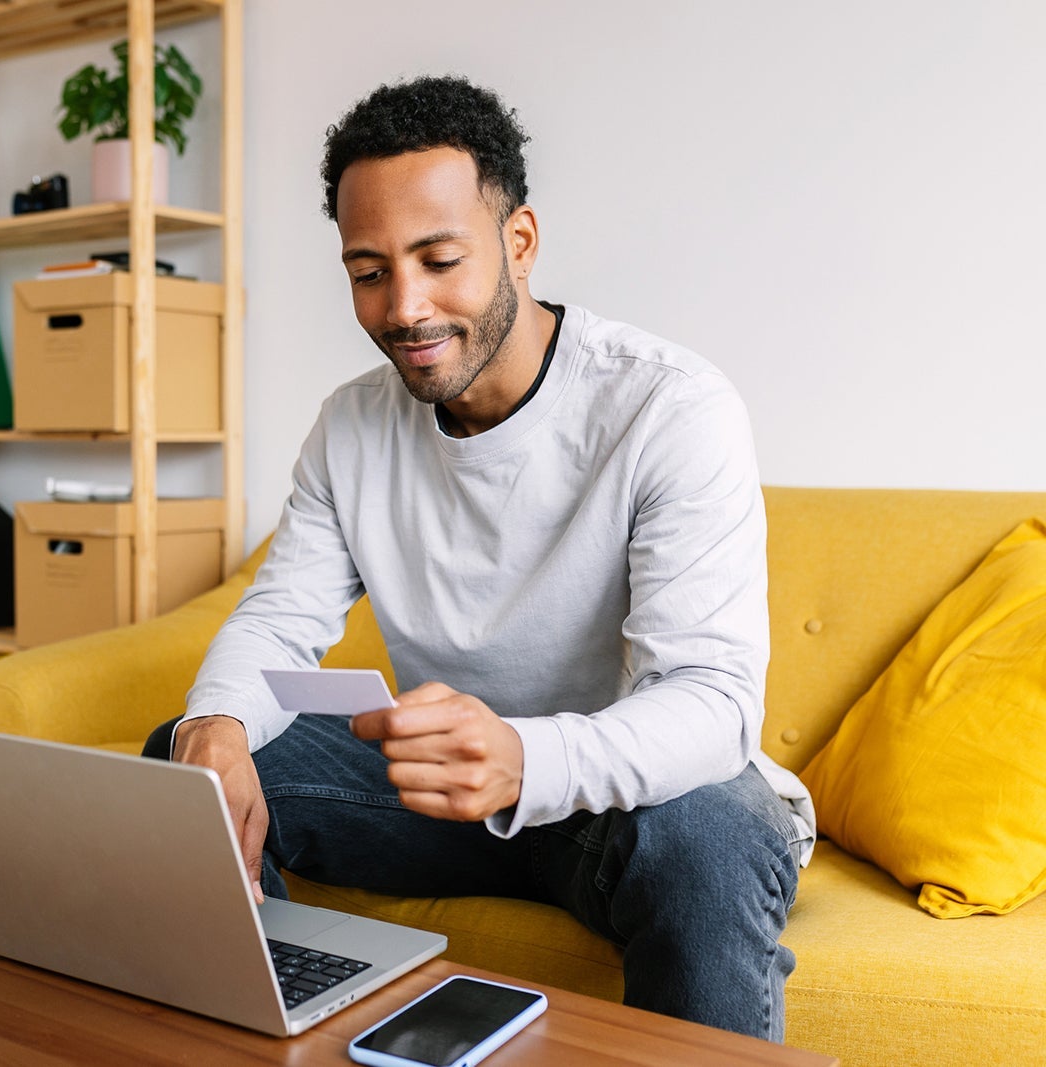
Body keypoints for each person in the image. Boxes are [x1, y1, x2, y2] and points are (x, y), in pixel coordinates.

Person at [142, 75, 816, 1042]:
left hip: (615, 802)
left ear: (519, 241)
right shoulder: (350, 427)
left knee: (712, 830)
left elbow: (712, 701)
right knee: (192, 764)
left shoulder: (669, 407)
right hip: (440, 793)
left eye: (439, 258)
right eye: (369, 271)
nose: (405, 308)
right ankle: (293, 1032)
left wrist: (520, 758)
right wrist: (212, 727)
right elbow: (280, 621)